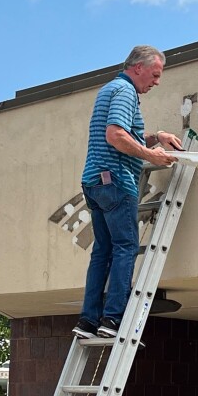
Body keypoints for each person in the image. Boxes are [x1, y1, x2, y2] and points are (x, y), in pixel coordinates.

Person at [72, 45, 183, 341]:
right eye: (155, 75)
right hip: (116, 181)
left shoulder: (111, 89)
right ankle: (113, 319)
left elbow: (125, 132)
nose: (157, 82)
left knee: (103, 251)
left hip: (96, 182)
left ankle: (88, 320)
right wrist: (152, 155)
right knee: (126, 248)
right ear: (139, 68)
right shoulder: (125, 92)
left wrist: (157, 137)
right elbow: (116, 135)